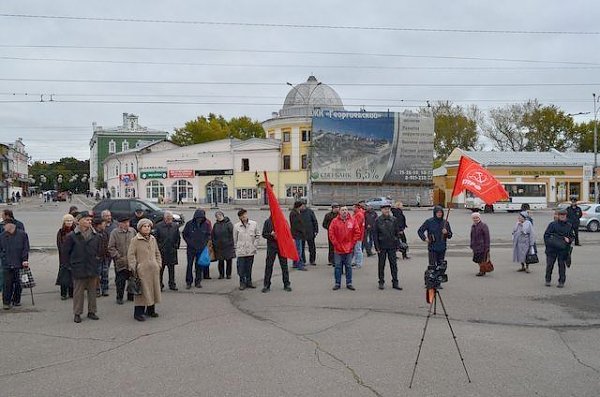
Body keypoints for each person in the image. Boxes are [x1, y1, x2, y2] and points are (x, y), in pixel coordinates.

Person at [63, 211, 101, 323]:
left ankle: (92, 311)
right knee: (78, 292)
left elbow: (99, 250)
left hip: (92, 266)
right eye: (86, 219)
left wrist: (97, 260)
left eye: (90, 220)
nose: (89, 222)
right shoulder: (72, 236)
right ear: (78, 221)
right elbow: (66, 253)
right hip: (78, 267)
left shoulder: (96, 235)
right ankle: (77, 313)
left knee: (92, 291)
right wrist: (69, 266)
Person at [127, 218, 162, 321]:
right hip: (142, 271)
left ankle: (151, 310)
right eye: (144, 226)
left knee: (153, 290)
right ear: (140, 228)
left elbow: (157, 252)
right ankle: (138, 313)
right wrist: (135, 267)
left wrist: (158, 264)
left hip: (153, 270)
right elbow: (131, 255)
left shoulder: (152, 239)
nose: (147, 228)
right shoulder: (135, 240)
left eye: (148, 226)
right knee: (141, 292)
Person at [418, 205, 453, 285]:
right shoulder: (429, 221)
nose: (439, 214)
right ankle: (429, 281)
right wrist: (425, 238)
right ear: (435, 213)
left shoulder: (445, 223)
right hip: (432, 247)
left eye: (441, 212)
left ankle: (438, 282)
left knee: (440, 267)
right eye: (438, 212)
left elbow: (450, 235)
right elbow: (420, 231)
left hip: (442, 247)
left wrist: (446, 233)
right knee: (432, 266)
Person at [329, 206, 361, 291]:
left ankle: (349, 283)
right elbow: (331, 234)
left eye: (346, 210)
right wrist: (336, 244)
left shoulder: (353, 220)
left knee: (348, 266)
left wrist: (352, 244)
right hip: (338, 249)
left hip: (349, 249)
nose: (344, 211)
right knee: (338, 266)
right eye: (342, 210)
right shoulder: (334, 221)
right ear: (339, 212)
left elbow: (357, 233)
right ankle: (337, 283)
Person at [1, 220, 30, 310]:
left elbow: (26, 248)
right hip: (7, 264)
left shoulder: (22, 235)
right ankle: (6, 302)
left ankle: (16, 300)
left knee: (18, 283)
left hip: (19, 263)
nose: (3, 227)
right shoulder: (2, 236)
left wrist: (25, 259)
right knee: (7, 284)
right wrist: (3, 256)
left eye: (4, 225)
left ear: (11, 225)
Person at [372, 204, 402, 290]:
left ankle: (395, 282)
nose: (387, 210)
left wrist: (397, 245)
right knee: (381, 265)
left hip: (392, 246)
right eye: (385, 209)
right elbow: (375, 235)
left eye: (388, 209)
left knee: (394, 265)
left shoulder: (394, 219)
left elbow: (397, 233)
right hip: (382, 246)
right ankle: (381, 282)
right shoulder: (378, 220)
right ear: (381, 210)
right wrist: (377, 247)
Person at [108, 215, 137, 304]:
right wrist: (118, 256)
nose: (126, 224)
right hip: (121, 261)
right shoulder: (115, 233)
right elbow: (111, 247)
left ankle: (131, 295)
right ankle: (119, 297)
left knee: (132, 279)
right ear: (119, 224)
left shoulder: (132, 231)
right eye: (124, 223)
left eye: (127, 222)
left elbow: (137, 243)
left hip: (132, 260)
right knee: (120, 281)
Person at [543, 209, 575, 288]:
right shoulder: (552, 224)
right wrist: (549, 244)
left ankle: (561, 281)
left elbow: (572, 236)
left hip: (562, 250)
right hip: (551, 249)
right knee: (550, 265)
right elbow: (546, 235)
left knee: (562, 266)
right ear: (558, 216)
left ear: (566, 216)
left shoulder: (569, 225)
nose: (562, 216)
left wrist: (569, 240)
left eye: (564, 215)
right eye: (561, 215)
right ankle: (548, 280)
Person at [182, 209, 211, 289]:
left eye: (201, 218)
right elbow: (184, 234)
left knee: (199, 266)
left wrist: (204, 243)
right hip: (191, 249)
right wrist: (189, 242)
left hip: (200, 248)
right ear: (195, 217)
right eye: (198, 218)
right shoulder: (189, 224)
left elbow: (208, 235)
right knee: (189, 265)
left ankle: (198, 281)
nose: (199, 219)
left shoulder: (206, 224)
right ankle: (189, 282)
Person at [261, 216, 291, 293]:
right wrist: (271, 235)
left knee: (284, 265)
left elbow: (288, 232)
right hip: (271, 247)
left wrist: (281, 234)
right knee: (269, 265)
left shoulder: (283, 221)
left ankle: (286, 284)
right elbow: (264, 234)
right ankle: (266, 285)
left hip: (281, 246)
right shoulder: (268, 221)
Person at [233, 209, 259, 290]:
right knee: (241, 268)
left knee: (249, 267)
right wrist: (236, 248)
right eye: (241, 216)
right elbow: (235, 238)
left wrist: (255, 245)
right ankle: (242, 283)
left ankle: (249, 282)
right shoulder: (236, 226)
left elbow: (257, 235)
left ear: (247, 214)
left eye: (244, 215)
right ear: (239, 217)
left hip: (251, 250)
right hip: (241, 250)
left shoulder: (254, 224)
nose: (243, 217)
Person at [154, 211, 180, 291]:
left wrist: (176, 246)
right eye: (168, 219)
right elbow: (155, 238)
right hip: (162, 251)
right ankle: (160, 285)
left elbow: (178, 238)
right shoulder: (158, 226)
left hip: (172, 251)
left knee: (171, 269)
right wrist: (159, 248)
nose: (169, 220)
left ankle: (172, 284)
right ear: (164, 218)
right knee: (160, 269)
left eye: (171, 219)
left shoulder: (175, 226)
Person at [56, 214, 76, 300]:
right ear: (64, 222)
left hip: (74, 256)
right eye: (67, 221)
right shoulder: (61, 232)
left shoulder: (75, 231)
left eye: (70, 220)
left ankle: (72, 292)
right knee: (64, 274)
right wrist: (64, 253)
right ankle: (63, 293)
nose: (69, 222)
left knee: (73, 275)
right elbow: (59, 244)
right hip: (64, 256)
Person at [211, 211, 235, 279]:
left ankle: (228, 274)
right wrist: (214, 242)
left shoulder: (228, 224)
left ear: (223, 215)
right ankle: (221, 274)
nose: (218, 216)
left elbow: (232, 234)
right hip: (219, 246)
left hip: (228, 245)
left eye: (219, 215)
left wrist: (230, 242)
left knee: (228, 261)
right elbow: (213, 235)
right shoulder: (216, 225)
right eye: (217, 216)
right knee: (220, 261)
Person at [92, 217, 109, 297]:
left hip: (105, 257)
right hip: (96, 258)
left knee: (105, 274)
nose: (105, 225)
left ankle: (105, 289)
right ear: (98, 225)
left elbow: (107, 244)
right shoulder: (93, 234)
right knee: (96, 275)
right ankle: (96, 290)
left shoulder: (105, 233)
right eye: (103, 224)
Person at [289, 201, 307, 271]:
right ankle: (299, 265)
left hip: (297, 234)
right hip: (297, 234)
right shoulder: (294, 213)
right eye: (302, 206)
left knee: (297, 249)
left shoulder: (297, 212)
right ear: (298, 206)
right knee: (298, 250)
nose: (303, 207)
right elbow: (296, 225)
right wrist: (302, 231)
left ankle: (295, 263)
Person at [300, 201, 319, 266]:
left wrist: (316, 230)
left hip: (310, 232)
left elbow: (315, 221)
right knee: (301, 248)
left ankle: (312, 260)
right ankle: (303, 261)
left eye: (303, 205)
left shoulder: (310, 211)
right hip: (301, 233)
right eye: (301, 205)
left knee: (312, 247)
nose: (302, 207)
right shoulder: (298, 212)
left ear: (305, 205)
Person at [351, 202, 366, 269]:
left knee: (358, 249)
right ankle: (356, 261)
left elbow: (356, 225)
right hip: (357, 235)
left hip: (358, 235)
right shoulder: (357, 213)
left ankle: (358, 263)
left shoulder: (359, 215)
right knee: (355, 249)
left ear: (356, 207)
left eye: (353, 207)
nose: (352, 208)